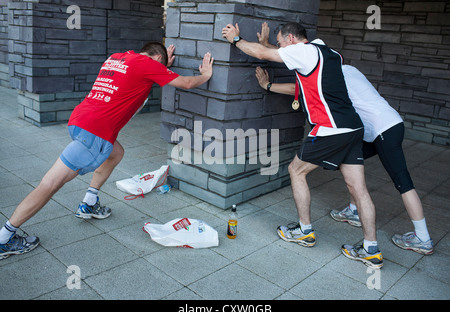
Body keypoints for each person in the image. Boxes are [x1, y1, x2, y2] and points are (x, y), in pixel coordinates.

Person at [0, 42, 214, 260]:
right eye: (162, 64)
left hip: (79, 122)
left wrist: (161, 67)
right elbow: (186, 83)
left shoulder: (117, 58)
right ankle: (4, 238)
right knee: (49, 184)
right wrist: (205, 75)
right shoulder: (147, 64)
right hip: (95, 133)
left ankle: (89, 203)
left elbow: (137, 80)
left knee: (115, 153)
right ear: (158, 58)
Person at [223, 22, 383, 268]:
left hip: (330, 128)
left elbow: (262, 54)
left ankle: (305, 231)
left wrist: (236, 39)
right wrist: (268, 46)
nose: (279, 46)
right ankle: (371, 249)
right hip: (352, 127)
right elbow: (282, 60)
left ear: (290, 38)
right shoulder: (328, 53)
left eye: (280, 42)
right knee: (358, 188)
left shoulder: (304, 51)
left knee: (296, 171)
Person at [329, 65, 434, 255]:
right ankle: (354, 210)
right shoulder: (350, 69)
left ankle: (423, 238)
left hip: (382, 129)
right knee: (348, 159)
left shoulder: (333, 76)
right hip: (390, 124)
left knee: (403, 182)